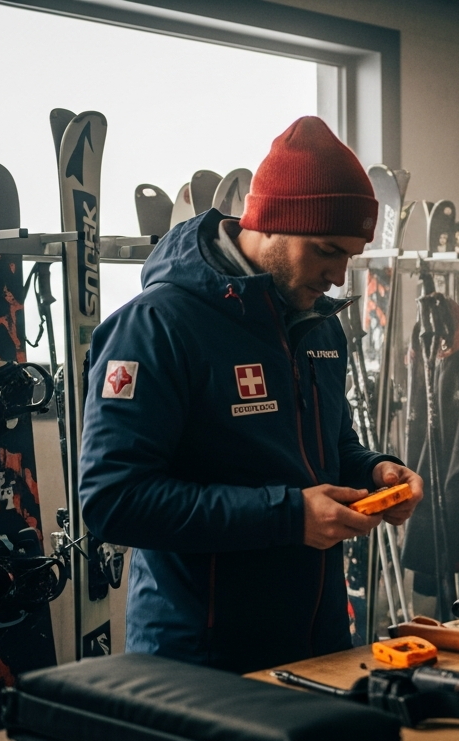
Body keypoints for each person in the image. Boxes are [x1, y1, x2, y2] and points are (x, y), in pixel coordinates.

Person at [80, 117, 423, 672]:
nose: (338, 277)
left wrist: (376, 472)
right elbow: (113, 500)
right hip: (202, 659)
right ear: (271, 225)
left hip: (321, 645)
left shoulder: (318, 325)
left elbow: (330, 449)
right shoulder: (156, 327)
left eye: (350, 257)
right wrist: (287, 517)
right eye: (327, 251)